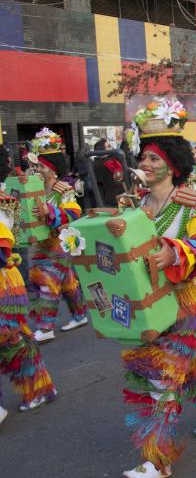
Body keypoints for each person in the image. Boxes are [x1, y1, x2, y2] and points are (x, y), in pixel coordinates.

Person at [122, 100, 196, 478]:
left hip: (185, 305)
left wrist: (177, 253)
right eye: (143, 157)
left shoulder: (190, 203)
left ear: (172, 162)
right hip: (149, 305)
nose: (147, 164)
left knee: (163, 378)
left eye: (154, 158)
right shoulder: (136, 206)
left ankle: (157, 461)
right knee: (190, 368)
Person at [0, 145, 57, 423]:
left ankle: (37, 387)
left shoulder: (4, 200)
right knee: (12, 339)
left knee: (12, 338)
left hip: (4, 281)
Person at [26, 128, 87, 343]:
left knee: (47, 281)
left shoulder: (63, 189)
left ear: (52, 170)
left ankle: (45, 327)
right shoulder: (35, 189)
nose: (37, 170)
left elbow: (74, 213)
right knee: (68, 282)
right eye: (36, 166)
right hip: (42, 244)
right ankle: (80, 314)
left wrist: (50, 212)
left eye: (41, 166)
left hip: (60, 244)